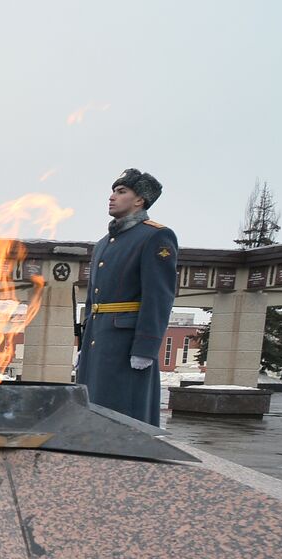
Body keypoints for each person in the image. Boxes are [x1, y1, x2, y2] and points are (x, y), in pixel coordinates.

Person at [75, 168, 178, 426]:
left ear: (139, 200)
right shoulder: (103, 243)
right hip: (98, 340)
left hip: (125, 342)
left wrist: (146, 348)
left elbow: (159, 296)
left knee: (124, 411)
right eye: (113, 191)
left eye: (121, 192)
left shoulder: (155, 236)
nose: (112, 197)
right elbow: (93, 300)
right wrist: (84, 342)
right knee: (94, 407)